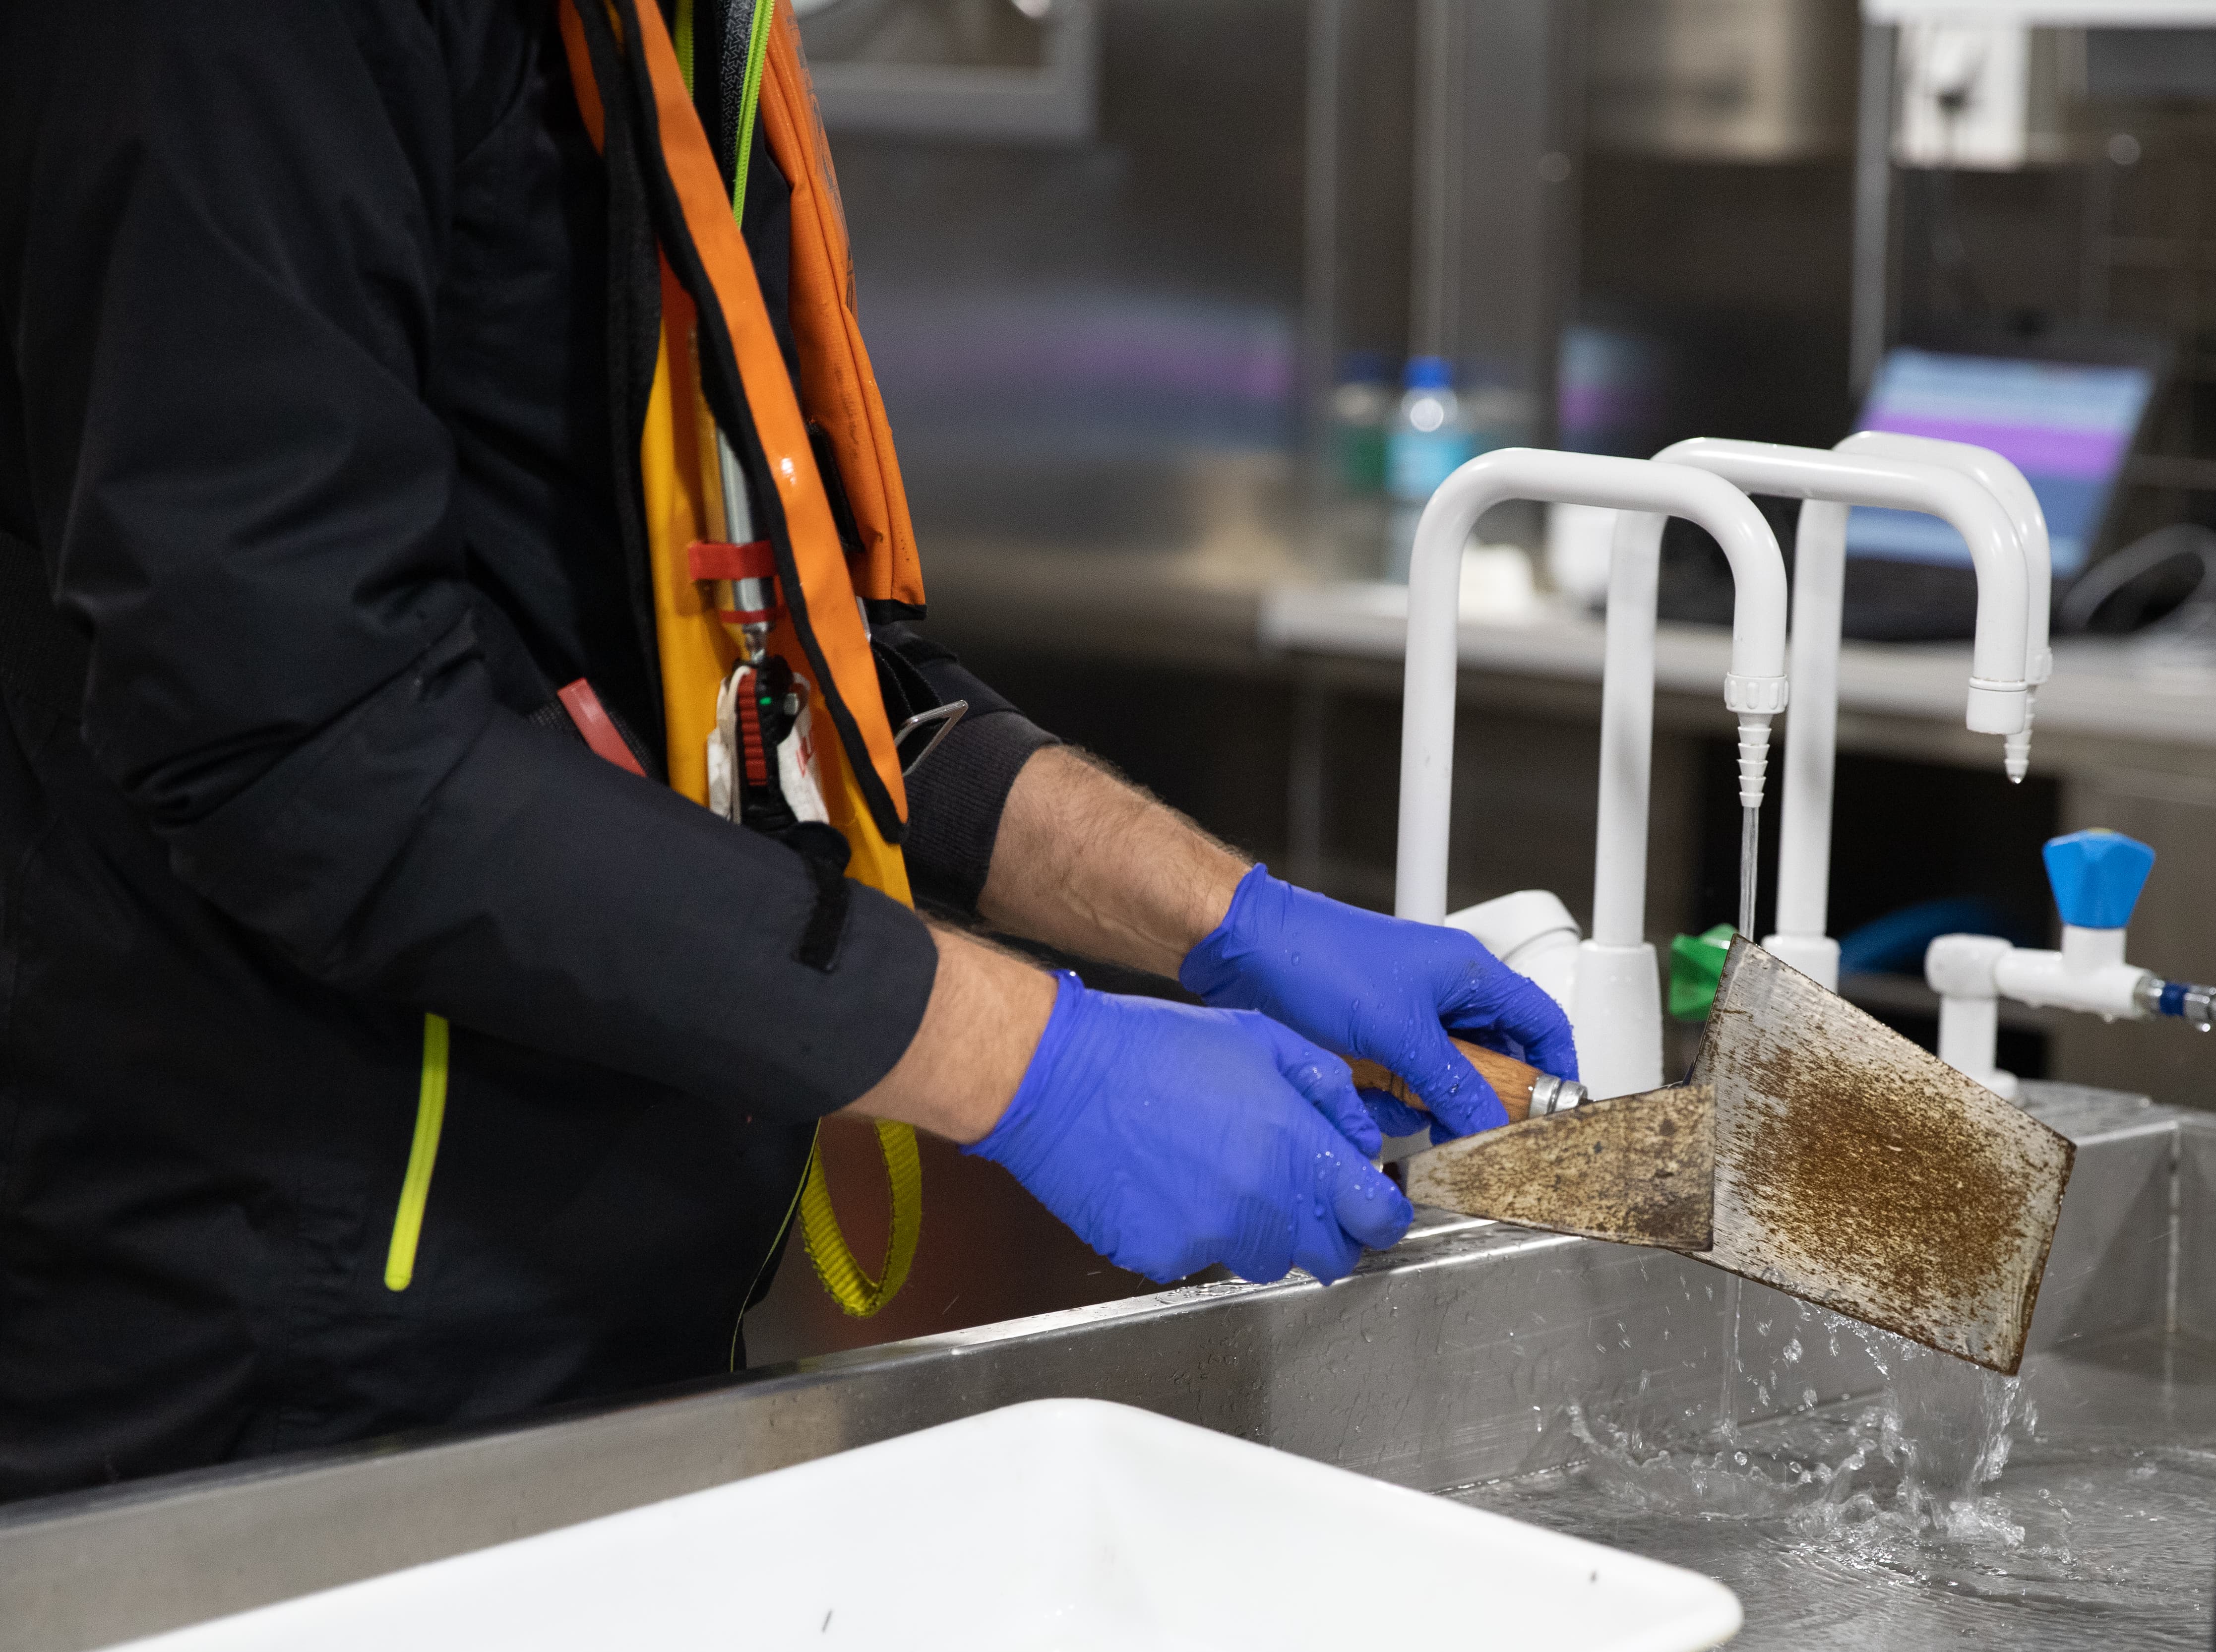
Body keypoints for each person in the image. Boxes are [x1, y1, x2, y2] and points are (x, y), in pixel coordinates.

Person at [0, 0, 1572, 1503]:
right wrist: (1041, 1063)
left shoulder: (665, 34)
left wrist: (1227, 920)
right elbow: (315, 742)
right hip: (273, 1350)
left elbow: (766, 676)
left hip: (603, 1302)